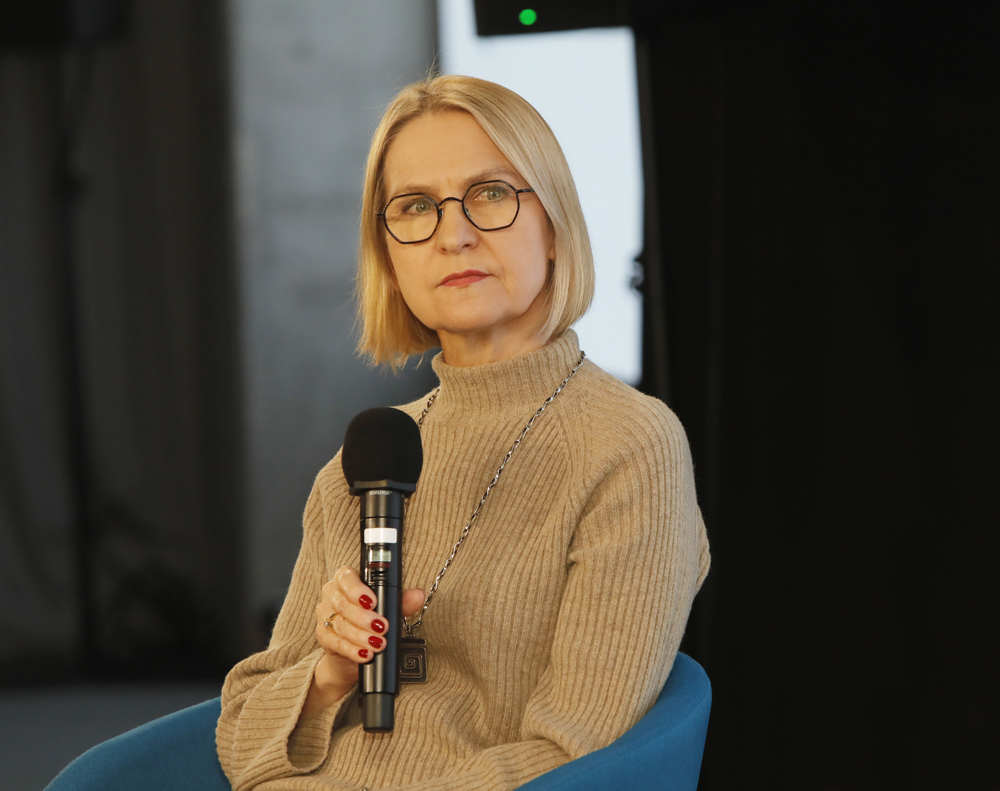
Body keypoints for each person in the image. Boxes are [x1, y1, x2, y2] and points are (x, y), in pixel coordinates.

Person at [216, 74, 710, 791]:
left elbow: (575, 752)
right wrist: (329, 675)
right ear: (390, 259)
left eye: (491, 193)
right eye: (416, 206)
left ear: (554, 228)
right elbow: (238, 735)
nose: (454, 235)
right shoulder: (366, 459)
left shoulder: (630, 446)